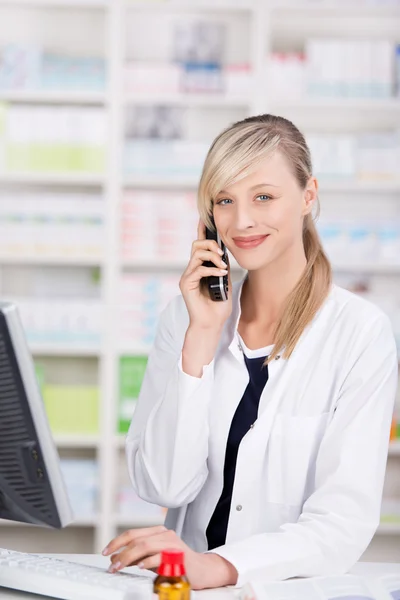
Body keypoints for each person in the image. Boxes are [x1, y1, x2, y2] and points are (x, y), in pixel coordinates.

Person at [102, 115, 398, 589]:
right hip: (181, 593)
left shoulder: (359, 333)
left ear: (308, 195)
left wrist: (216, 567)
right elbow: (162, 486)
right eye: (225, 200)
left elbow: (342, 522)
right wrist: (201, 336)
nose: (242, 221)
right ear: (208, 219)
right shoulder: (184, 318)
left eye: (264, 196)